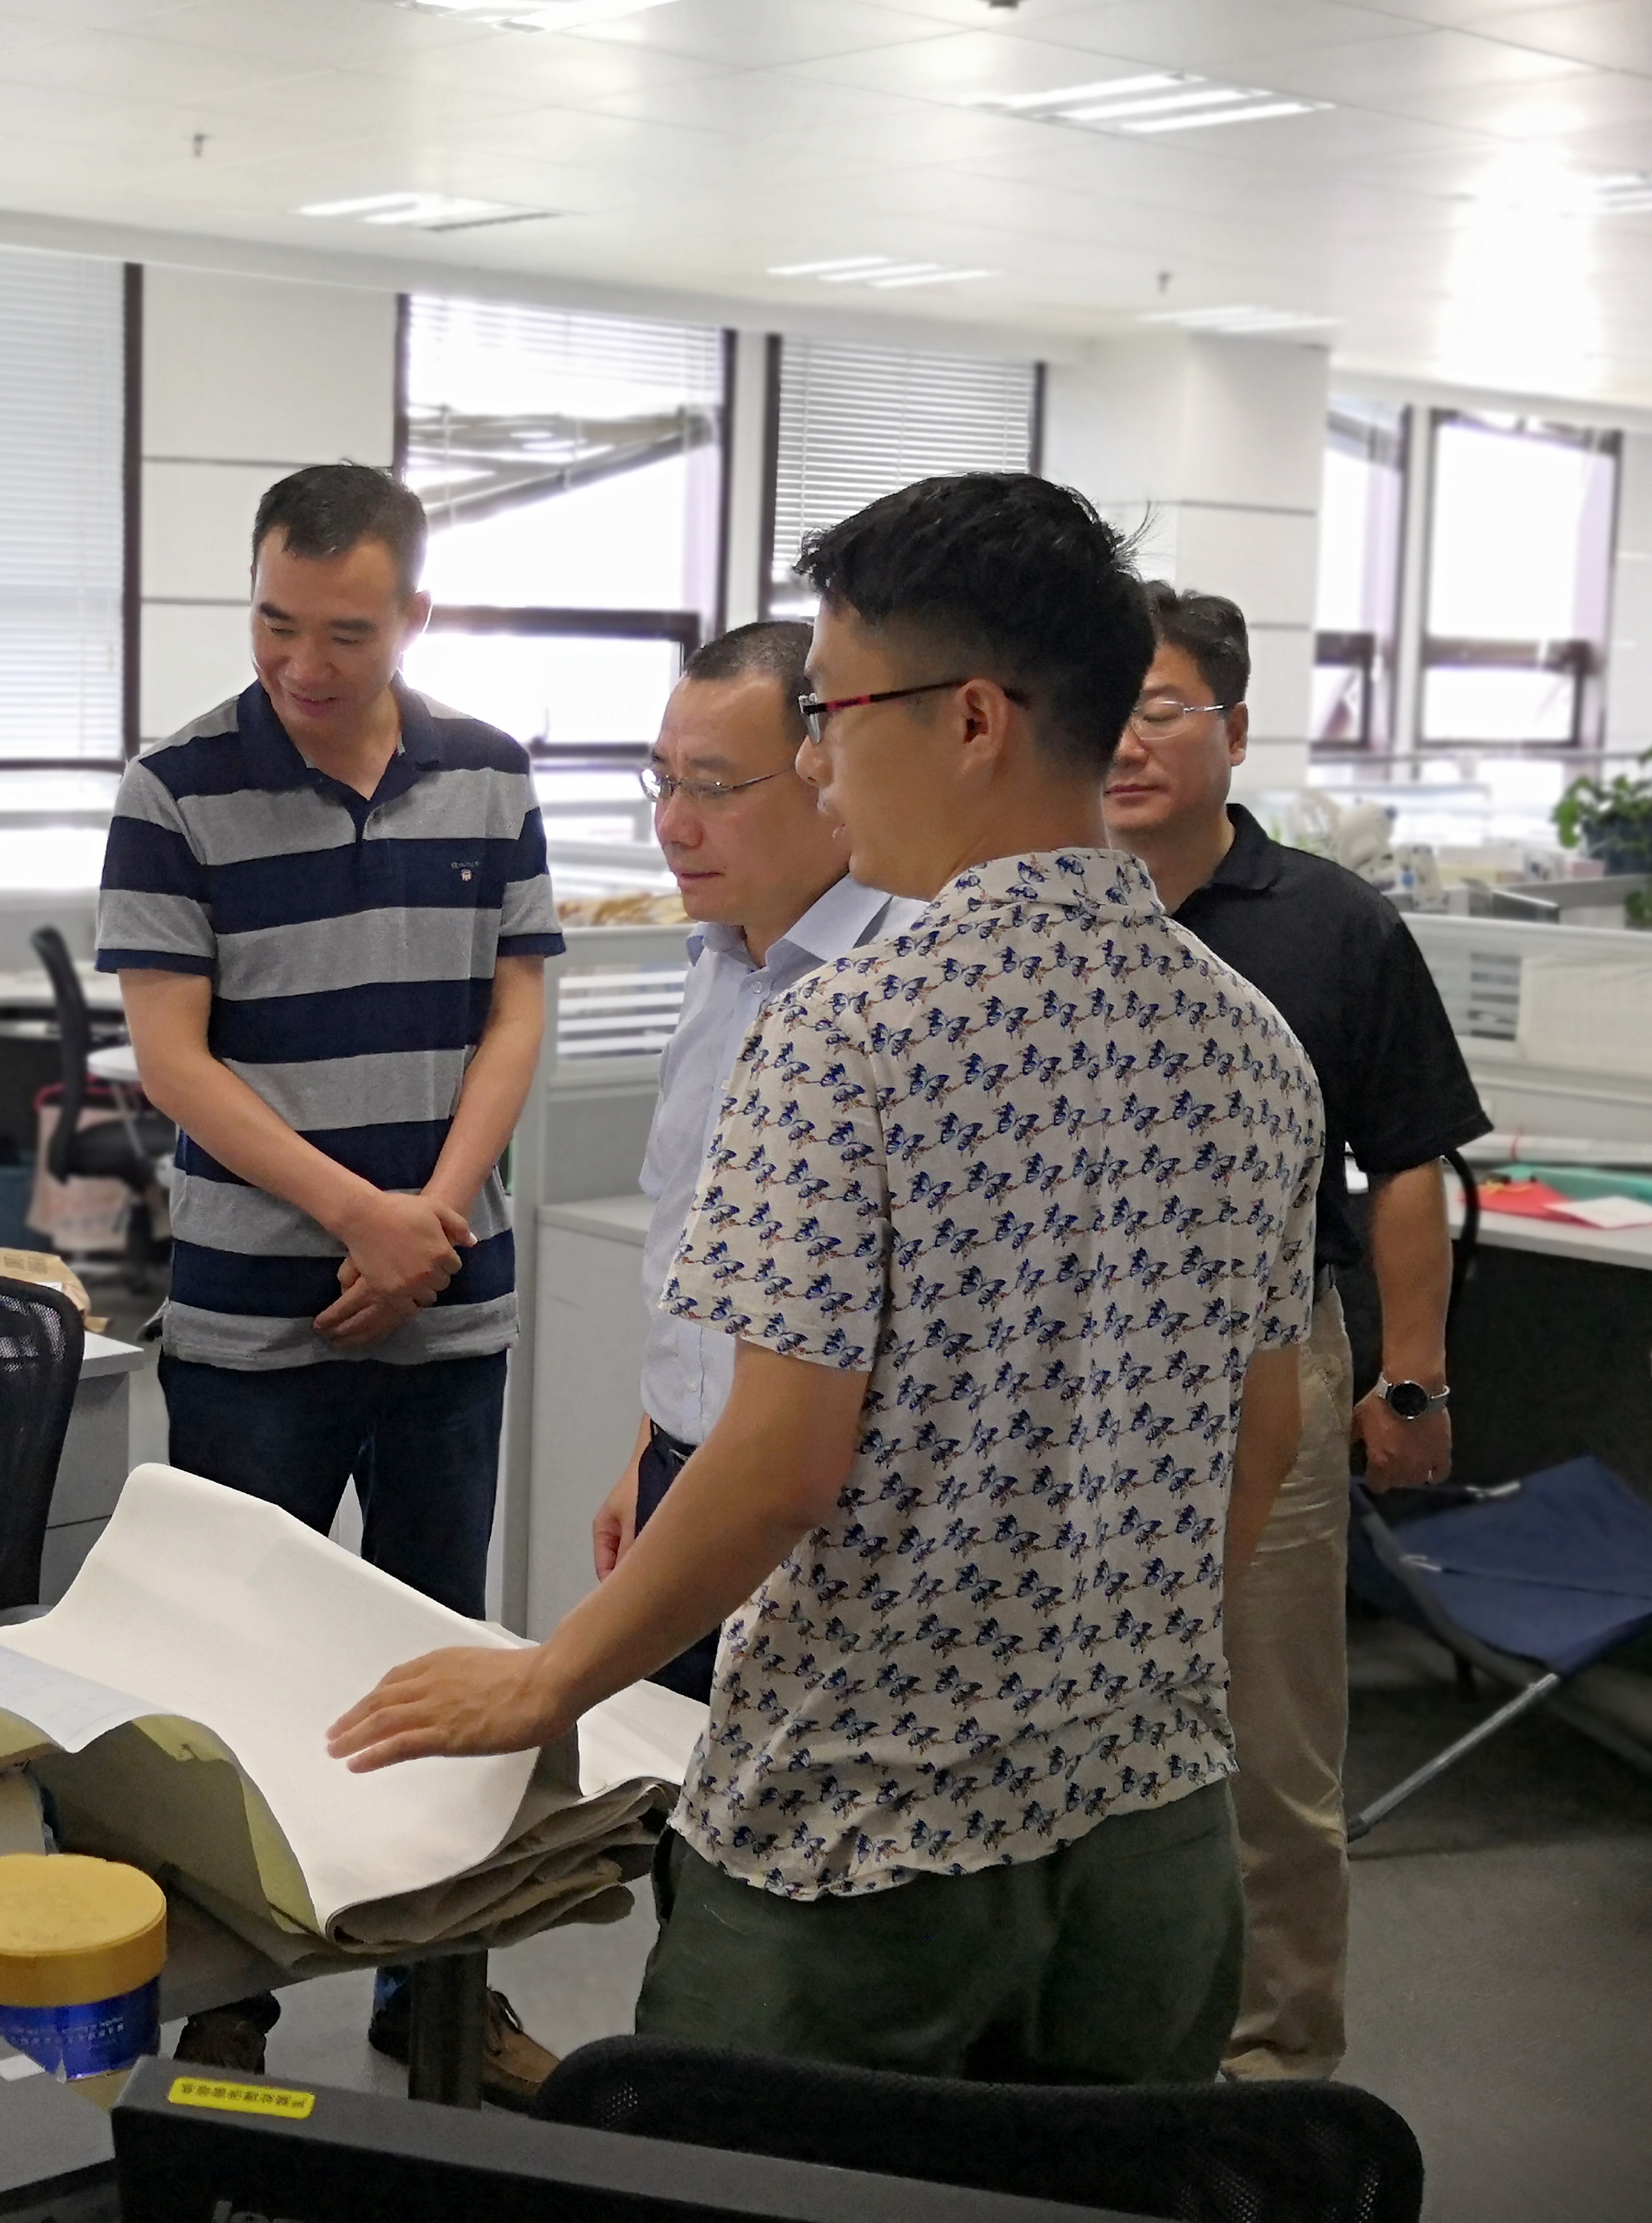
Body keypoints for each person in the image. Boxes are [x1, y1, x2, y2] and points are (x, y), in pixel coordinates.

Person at [327, 472, 1324, 2090]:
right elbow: (1260, 1432)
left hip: (864, 1843)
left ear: (975, 720)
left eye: (837, 714)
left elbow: (785, 1463)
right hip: (1150, 1833)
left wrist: (545, 1678)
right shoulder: (1252, 1042)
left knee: (761, 2188)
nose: (817, 762)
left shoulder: (848, 1031)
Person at [97, 461, 561, 2097]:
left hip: (451, 1304)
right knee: (233, 1669)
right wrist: (362, 1214)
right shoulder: (176, 789)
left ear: (416, 615)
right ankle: (230, 1998)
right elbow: (174, 1056)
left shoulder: (489, 775)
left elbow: (515, 1011)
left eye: (345, 633)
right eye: (276, 622)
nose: (303, 662)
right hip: (252, 1319)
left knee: (446, 1665)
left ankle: (436, 1988)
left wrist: (424, 1219)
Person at [1107, 584, 1491, 2081]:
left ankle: (1273, 2077)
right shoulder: (1036, 905)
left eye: (1164, 709)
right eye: (1109, 707)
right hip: (1072, 1370)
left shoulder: (1333, 923)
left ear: (1236, 729)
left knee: (1269, 1751)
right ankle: (1097, 2064)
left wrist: (1412, 1379)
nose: (1129, 741)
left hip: (1268, 1357)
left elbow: (1404, 1166)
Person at [596, 619, 913, 1702]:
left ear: (827, 774)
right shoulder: (720, 962)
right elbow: (687, 1239)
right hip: (682, 1479)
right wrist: (655, 1445)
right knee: (661, 1779)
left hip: (828, 1521)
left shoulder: (908, 990)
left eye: (717, 787)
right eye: (663, 780)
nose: (673, 825)